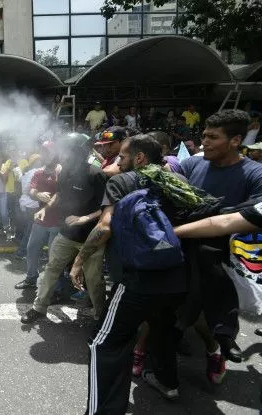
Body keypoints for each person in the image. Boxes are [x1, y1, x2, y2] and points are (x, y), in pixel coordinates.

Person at [70, 135, 201, 412]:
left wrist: (79, 261)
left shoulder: (122, 182)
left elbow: (105, 227)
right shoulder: (178, 182)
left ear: (139, 159)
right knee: (162, 329)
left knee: (103, 343)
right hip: (177, 278)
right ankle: (167, 383)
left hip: (138, 280)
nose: (118, 162)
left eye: (122, 157)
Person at [180, 109, 262, 381]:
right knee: (183, 309)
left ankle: (218, 346)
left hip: (228, 258)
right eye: (204, 135)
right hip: (185, 250)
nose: (205, 142)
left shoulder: (255, 174)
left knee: (214, 311)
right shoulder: (194, 164)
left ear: (236, 141)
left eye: (213, 137)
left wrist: (177, 230)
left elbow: (238, 222)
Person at [20, 133, 107, 323]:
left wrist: (84, 218)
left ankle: (100, 316)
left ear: (80, 152)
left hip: (91, 238)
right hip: (66, 234)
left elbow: (106, 209)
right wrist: (45, 208)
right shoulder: (66, 171)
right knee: (52, 269)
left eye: (68, 151)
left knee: (93, 279)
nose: (64, 155)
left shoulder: (97, 174)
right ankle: (39, 307)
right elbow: (59, 194)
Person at [14, 142, 61, 289]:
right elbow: (31, 191)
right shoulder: (38, 172)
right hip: (40, 220)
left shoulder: (61, 171)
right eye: (43, 151)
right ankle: (31, 278)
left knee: (54, 256)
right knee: (32, 249)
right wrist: (38, 194)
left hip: (57, 222)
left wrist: (58, 173)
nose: (44, 154)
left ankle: (56, 287)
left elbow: (63, 193)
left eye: (47, 151)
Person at [14, 154, 42, 259]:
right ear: (36, 162)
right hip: (32, 204)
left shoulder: (27, 172)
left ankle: (26, 250)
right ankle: (21, 252)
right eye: (39, 160)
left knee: (28, 229)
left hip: (25, 204)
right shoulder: (37, 172)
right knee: (31, 230)